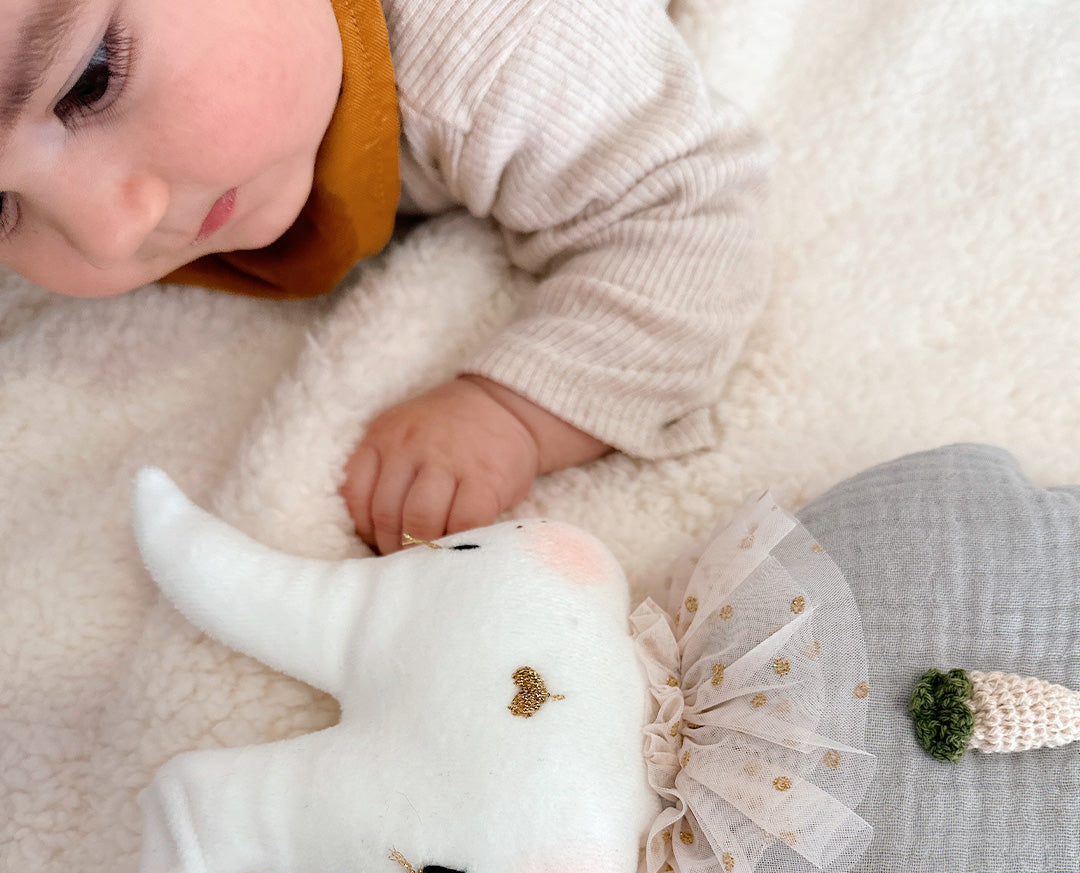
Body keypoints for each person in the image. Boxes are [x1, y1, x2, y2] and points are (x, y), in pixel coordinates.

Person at [0, 0, 771, 552]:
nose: (108, 232)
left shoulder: (497, 40)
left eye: (91, 81)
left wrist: (514, 411)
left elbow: (686, 206)